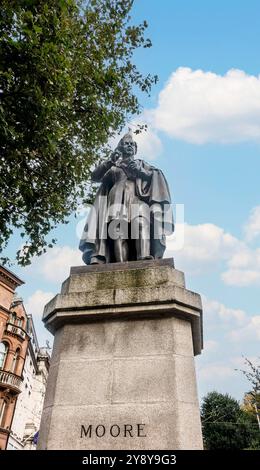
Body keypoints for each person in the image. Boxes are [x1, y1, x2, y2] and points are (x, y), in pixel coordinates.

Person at [79, 131, 174, 264]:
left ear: (135, 148)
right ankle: (120, 263)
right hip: (116, 198)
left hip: (138, 199)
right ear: (120, 148)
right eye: (126, 144)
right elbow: (95, 177)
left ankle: (144, 257)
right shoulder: (113, 166)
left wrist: (140, 171)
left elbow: (156, 175)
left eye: (132, 144)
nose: (129, 146)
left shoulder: (141, 164)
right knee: (118, 230)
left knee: (141, 223)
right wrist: (110, 161)